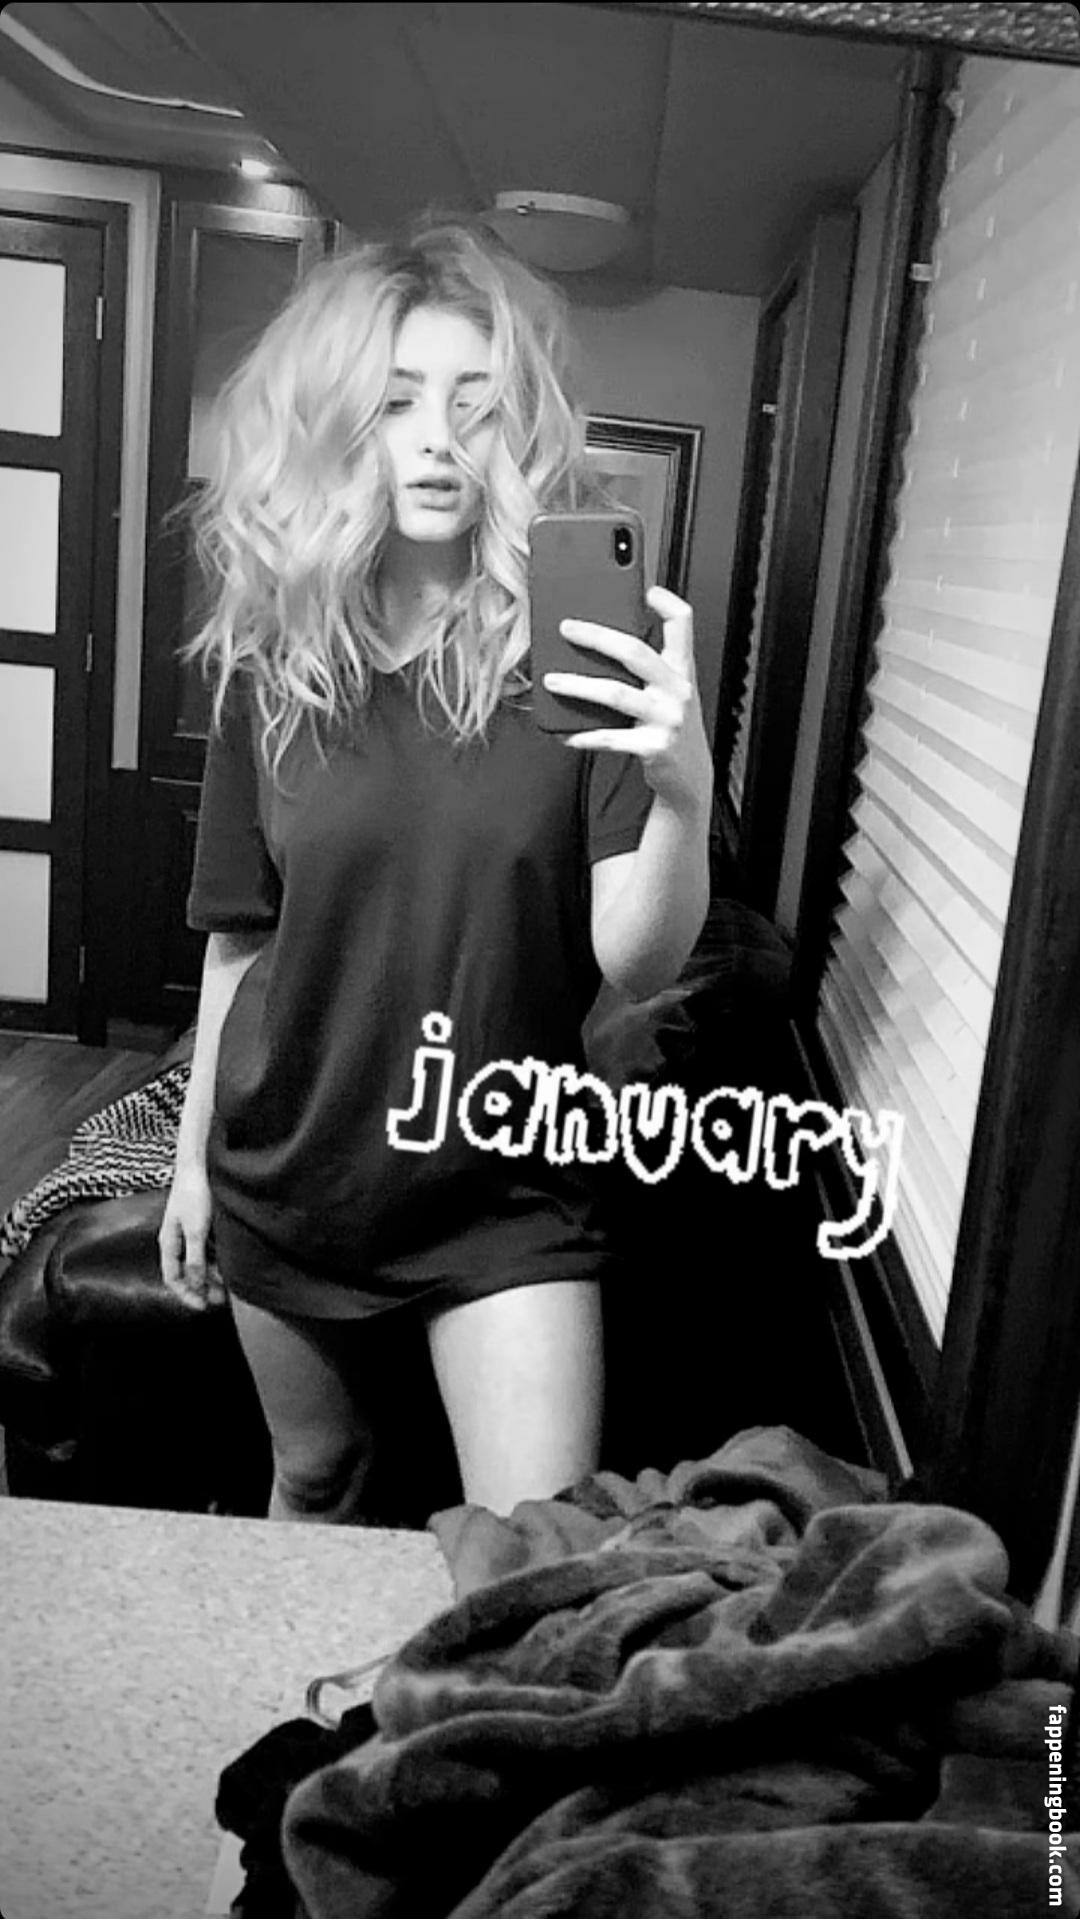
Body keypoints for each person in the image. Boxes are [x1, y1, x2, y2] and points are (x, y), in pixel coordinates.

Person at [158, 218, 713, 1522]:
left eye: (475, 403)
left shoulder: (579, 660)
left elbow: (635, 960)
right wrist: (189, 1165)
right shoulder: (273, 668)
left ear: (516, 430)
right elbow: (240, 938)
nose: (436, 439)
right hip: (295, 1169)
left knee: (537, 1549)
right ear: (339, 428)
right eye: (397, 401)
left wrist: (684, 792)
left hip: (503, 1189)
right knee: (315, 1478)